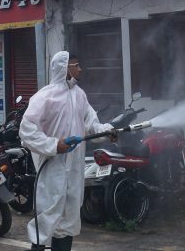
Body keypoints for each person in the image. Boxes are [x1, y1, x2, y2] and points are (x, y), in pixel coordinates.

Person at [19, 51, 116, 251]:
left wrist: (107, 131)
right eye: (76, 65)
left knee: (70, 215)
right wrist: (54, 145)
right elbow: (26, 130)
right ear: (64, 69)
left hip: (75, 167)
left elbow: (92, 124)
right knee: (48, 213)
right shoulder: (45, 96)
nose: (80, 69)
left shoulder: (80, 95)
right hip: (52, 166)